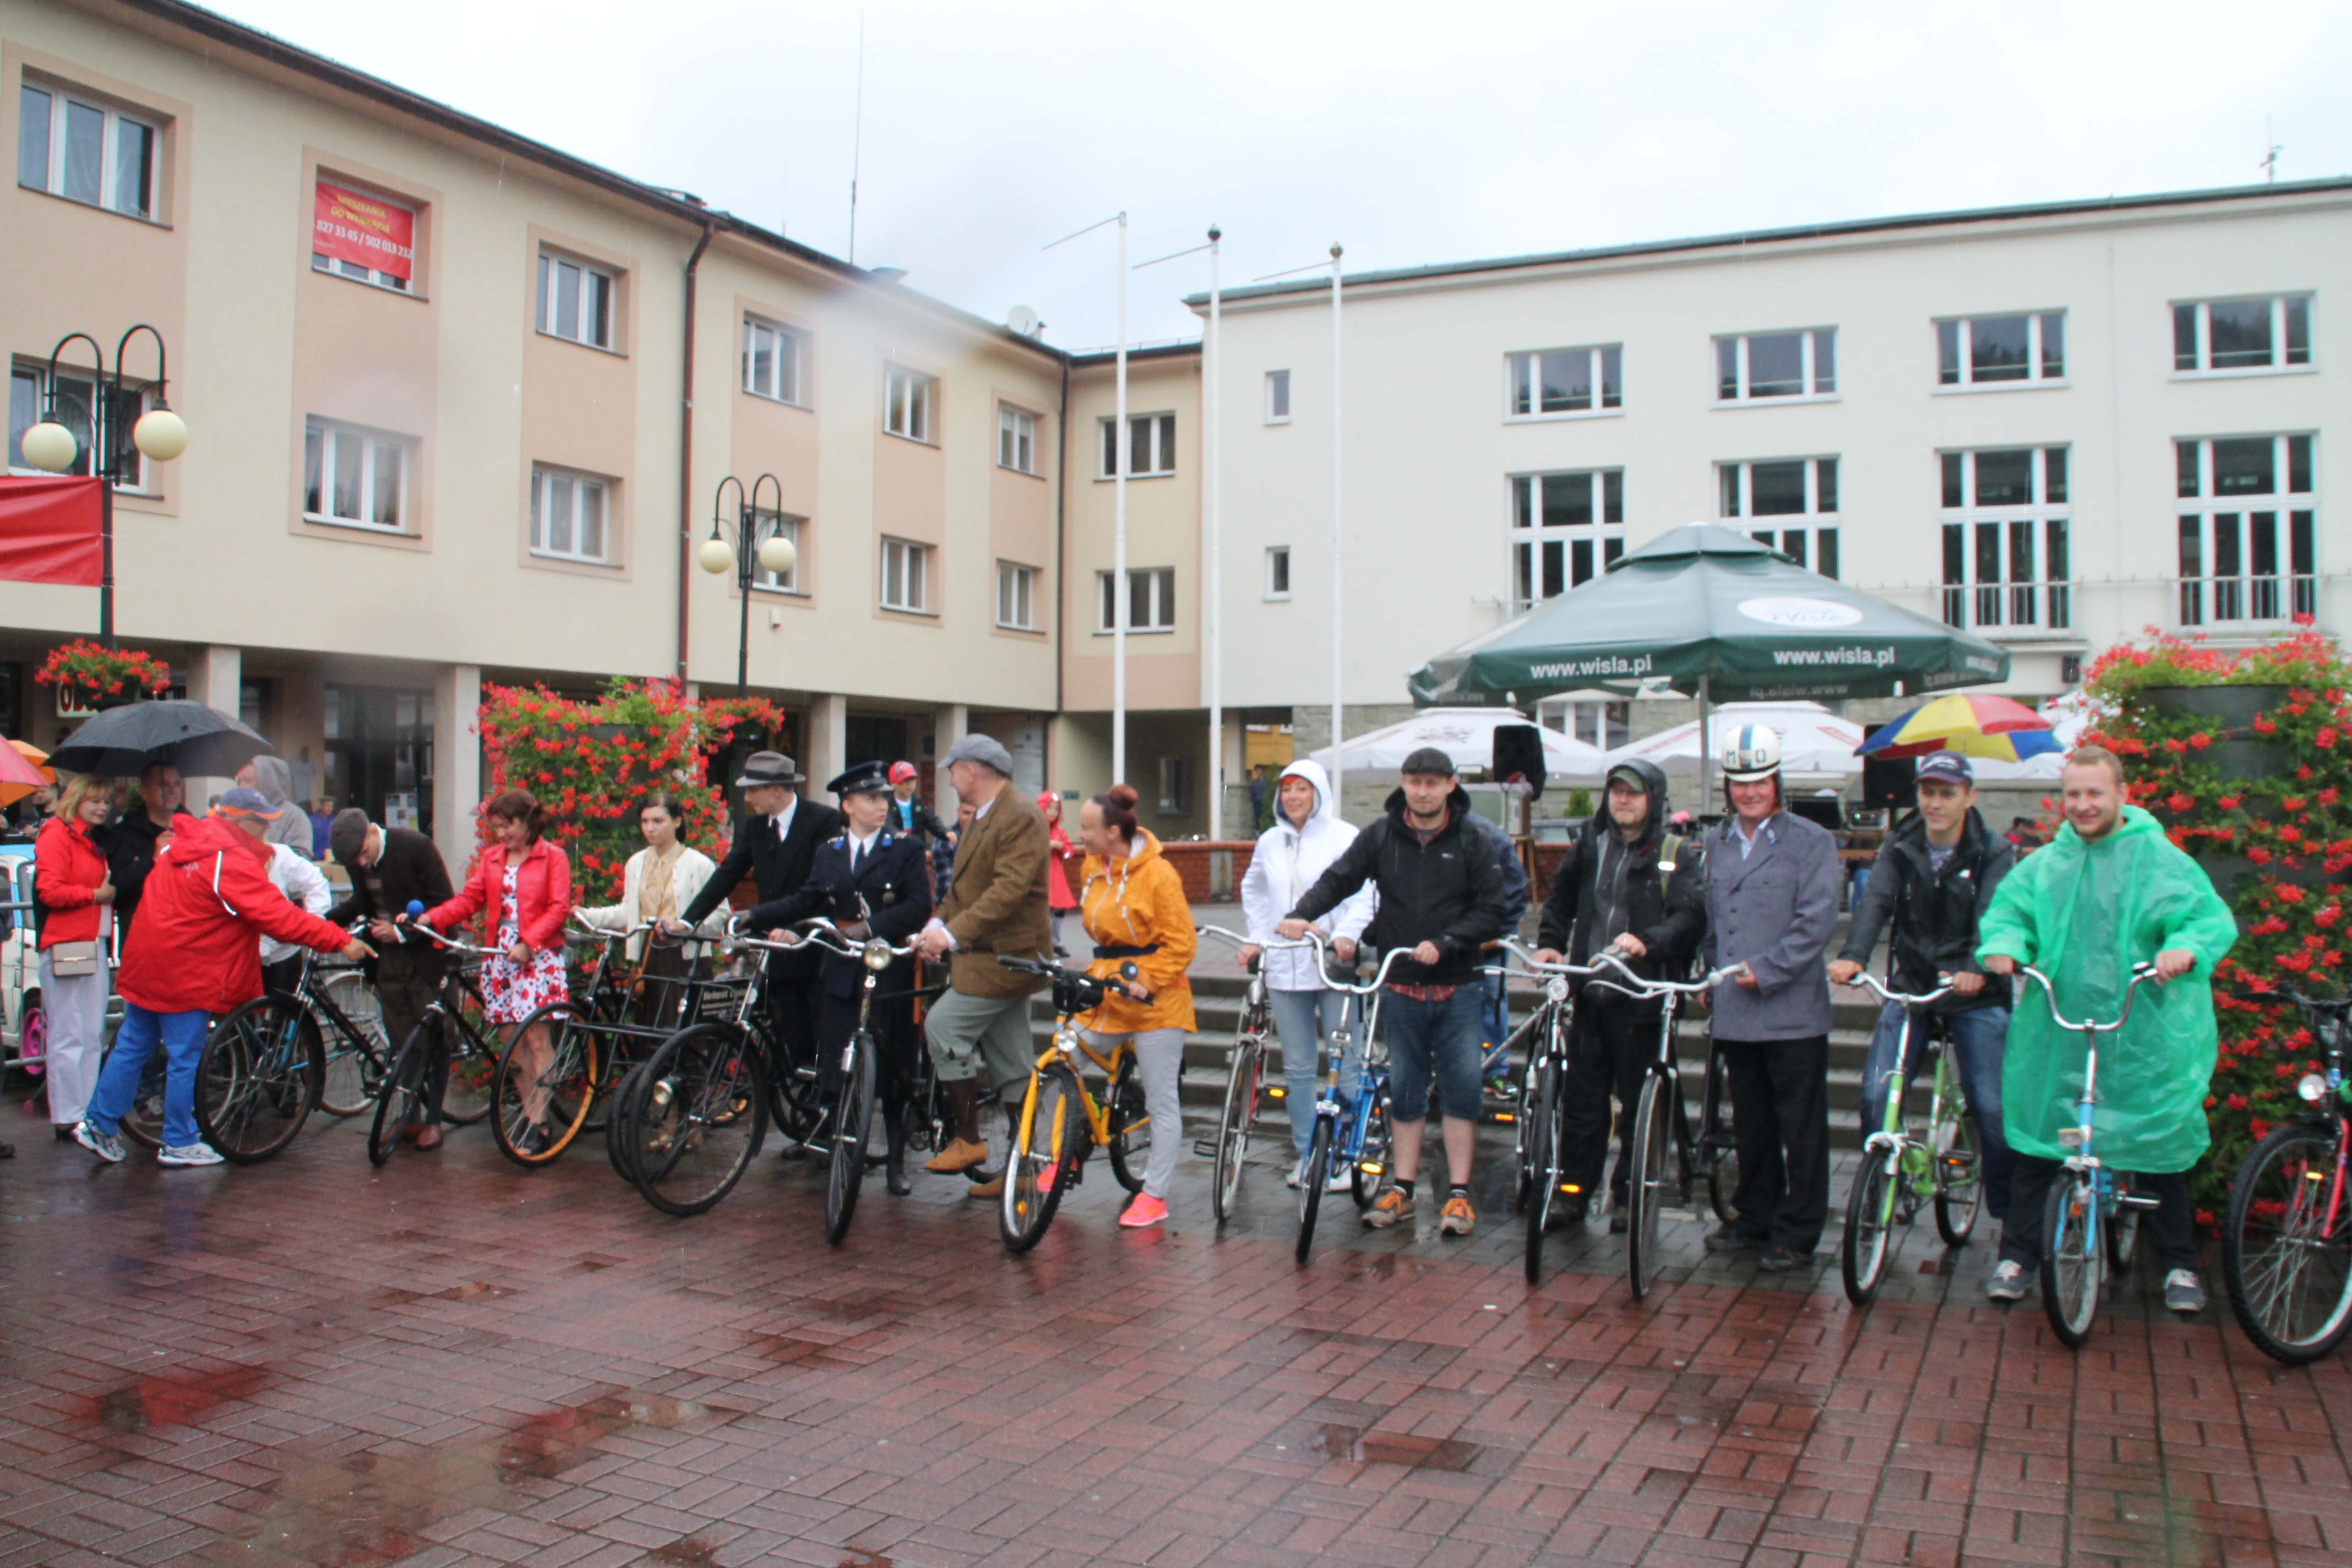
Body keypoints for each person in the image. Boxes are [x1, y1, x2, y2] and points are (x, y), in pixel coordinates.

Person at [1976, 745, 2237, 1313]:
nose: (2083, 804)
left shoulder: (2159, 859)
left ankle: (2178, 1265)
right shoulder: (2045, 864)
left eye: (2095, 792)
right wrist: (2005, 944)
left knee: (2157, 1146)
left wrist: (2183, 948)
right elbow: (2009, 913)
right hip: (2059, 1029)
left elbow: (2204, 917)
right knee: (2043, 1143)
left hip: (2143, 1029)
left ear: (2122, 794)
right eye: (2073, 793)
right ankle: (2018, 1256)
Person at [1278, 746, 1507, 1237]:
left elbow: (1493, 910)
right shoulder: (1382, 836)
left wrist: (1447, 943)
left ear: (1450, 786)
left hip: (1459, 986)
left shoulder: (1473, 839)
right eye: (1415, 782)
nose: (1423, 792)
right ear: (1404, 783)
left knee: (1462, 1091)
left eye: (1433, 783)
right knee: (1404, 1091)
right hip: (1400, 985)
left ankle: (1459, 1195)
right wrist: (1302, 914)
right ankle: (1402, 1189)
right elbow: (1340, 879)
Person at [77, 788, 369, 1167]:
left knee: (133, 1045)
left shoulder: (180, 845)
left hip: (148, 962)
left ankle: (99, 1124)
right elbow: (277, 916)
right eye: (263, 822)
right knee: (185, 1057)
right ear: (244, 822)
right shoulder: (227, 858)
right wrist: (339, 939)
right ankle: (179, 1141)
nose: (267, 831)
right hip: (188, 971)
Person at [1828, 752, 2016, 1239]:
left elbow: (1994, 916)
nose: (1935, 803)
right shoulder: (1900, 843)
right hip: (1913, 986)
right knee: (1875, 1094)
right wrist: (1854, 955)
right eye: (1928, 792)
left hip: (1974, 993)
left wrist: (1976, 967)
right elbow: (1876, 901)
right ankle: (1882, 1190)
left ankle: (2010, 1218)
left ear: (1969, 797)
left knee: (1992, 1106)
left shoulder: (1994, 850)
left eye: (1947, 793)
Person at [1532, 758, 1708, 1230]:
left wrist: (1649, 941)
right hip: (1591, 994)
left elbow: (1690, 916)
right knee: (1582, 1106)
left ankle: (1631, 1195)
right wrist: (1550, 943)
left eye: (1633, 792)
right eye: (1616, 791)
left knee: (1638, 1106)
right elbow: (1560, 899)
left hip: (1643, 999)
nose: (1623, 800)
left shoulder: (1674, 852)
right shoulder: (1590, 846)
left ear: (1653, 798)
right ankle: (1572, 1194)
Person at [743, 763, 935, 1195]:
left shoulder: (904, 848)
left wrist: (869, 928)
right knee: (838, 1058)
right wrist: (755, 915)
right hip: (842, 966)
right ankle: (842, 1147)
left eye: (884, 798)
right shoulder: (829, 851)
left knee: (893, 1063)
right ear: (848, 806)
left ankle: (896, 1161)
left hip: (887, 964)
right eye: (871, 798)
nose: (882, 806)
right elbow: (807, 899)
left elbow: (918, 906)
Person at [1702, 725, 1843, 1272]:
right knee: (1752, 1121)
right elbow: (1714, 919)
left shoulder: (1812, 841)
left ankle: (1799, 1230)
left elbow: (1817, 922)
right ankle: (1755, 1215)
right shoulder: (1716, 841)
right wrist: (1707, 974)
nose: (1750, 792)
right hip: (1735, 1009)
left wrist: (1769, 970)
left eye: (1759, 781)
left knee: (1800, 1127)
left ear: (1777, 782)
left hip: (1792, 1011)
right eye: (1740, 783)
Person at [914, 733, 1053, 1193]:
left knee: (941, 1026)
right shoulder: (984, 815)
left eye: (953, 770)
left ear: (972, 771)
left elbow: (1008, 891)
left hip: (1006, 959)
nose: (950, 779)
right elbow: (963, 890)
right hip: (993, 959)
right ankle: (1025, 1170)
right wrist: (936, 923)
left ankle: (969, 1139)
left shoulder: (1020, 815)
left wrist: (952, 935)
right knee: (1012, 1063)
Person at [672, 753, 844, 1108]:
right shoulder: (755, 826)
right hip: (774, 946)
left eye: (753, 791)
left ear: (777, 790)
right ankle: (800, 1102)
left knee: (818, 1034)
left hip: (811, 943)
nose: (748, 798)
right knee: (788, 1027)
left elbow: (823, 888)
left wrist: (795, 929)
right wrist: (689, 921)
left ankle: (831, 1110)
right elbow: (729, 873)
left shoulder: (822, 821)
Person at [1237, 758, 1375, 1189]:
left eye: (1302, 788)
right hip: (1285, 966)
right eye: (1287, 789)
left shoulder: (1345, 837)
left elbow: (1365, 893)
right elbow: (1253, 889)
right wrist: (1259, 935)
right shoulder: (1270, 841)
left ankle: (1346, 1155)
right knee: (1297, 1068)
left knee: (1345, 1063)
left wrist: (1346, 934)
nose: (1293, 797)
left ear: (1319, 793)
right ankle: (1306, 1154)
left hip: (1334, 964)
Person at [1068, 782, 1198, 1228]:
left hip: (1158, 1001)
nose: (1079, 835)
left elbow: (1182, 943)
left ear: (1112, 833)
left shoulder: (1160, 874)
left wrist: (1146, 980)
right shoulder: (1093, 867)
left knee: (1162, 1100)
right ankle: (1069, 1148)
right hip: (1109, 991)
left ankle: (1155, 1195)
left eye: (1087, 828)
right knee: (1060, 1058)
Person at [416, 790, 573, 1153]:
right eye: (497, 828)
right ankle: (530, 1113)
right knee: (510, 1041)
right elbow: (470, 900)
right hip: (499, 955)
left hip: (537, 956)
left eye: (507, 826)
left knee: (537, 1039)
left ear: (528, 822)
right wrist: (431, 918)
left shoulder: (553, 857)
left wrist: (529, 943)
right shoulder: (492, 858)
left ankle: (540, 1123)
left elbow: (558, 907)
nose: (501, 834)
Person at [328, 807, 457, 1146]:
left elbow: (444, 902)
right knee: (402, 1040)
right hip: (390, 960)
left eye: (363, 854)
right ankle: (409, 1118)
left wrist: (402, 931)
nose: (361, 863)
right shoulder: (358, 859)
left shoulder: (416, 846)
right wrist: (322, 922)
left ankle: (434, 1120)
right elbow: (362, 903)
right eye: (354, 861)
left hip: (429, 955)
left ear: (373, 830)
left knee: (436, 1036)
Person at [576, 792, 724, 1028]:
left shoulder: (698, 864)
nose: (650, 828)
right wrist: (588, 914)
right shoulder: (637, 863)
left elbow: (721, 914)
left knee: (685, 1029)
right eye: (645, 821)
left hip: (687, 957)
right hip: (649, 952)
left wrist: (685, 927)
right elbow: (629, 911)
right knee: (649, 1026)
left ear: (677, 821)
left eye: (658, 821)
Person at [32, 774, 117, 1144]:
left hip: (92, 943)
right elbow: (49, 891)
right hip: (68, 943)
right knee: (69, 1032)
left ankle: (84, 1111)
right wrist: (95, 895)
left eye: (106, 802)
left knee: (91, 1032)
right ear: (77, 800)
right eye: (95, 801)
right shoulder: (57, 834)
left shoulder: (91, 839)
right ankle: (69, 1115)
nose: (102, 807)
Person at [102, 761, 191, 955]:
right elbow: (118, 890)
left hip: (187, 937)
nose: (172, 790)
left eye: (177, 784)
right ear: (143, 792)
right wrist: (152, 859)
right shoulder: (124, 834)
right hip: (142, 940)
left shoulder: (195, 830)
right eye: (163, 785)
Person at [258, 837, 333, 997]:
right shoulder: (228, 857)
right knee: (244, 1011)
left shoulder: (280, 856)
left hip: (282, 953)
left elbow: (315, 881)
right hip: (245, 955)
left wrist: (313, 921)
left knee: (284, 1008)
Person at [235, 756, 315, 855]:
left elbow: (301, 858)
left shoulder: (294, 816)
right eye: (239, 782)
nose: (241, 787)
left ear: (266, 782)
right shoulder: (236, 814)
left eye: (247, 781)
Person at [1038, 791, 1080, 956]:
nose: (1053, 812)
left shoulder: (1059, 832)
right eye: (1050, 808)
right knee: (1042, 909)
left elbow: (1069, 852)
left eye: (1056, 809)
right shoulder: (1034, 829)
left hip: (1056, 875)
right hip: (1040, 874)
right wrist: (1048, 845)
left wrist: (1061, 847)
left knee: (1059, 909)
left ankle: (1056, 942)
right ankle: (1042, 943)